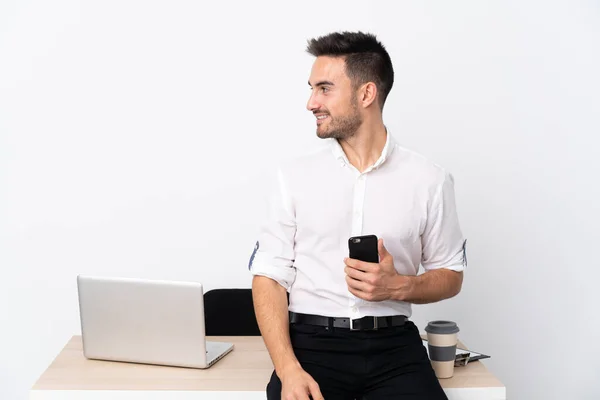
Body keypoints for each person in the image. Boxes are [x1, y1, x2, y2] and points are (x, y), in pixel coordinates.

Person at [249, 31, 467, 400]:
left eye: (324, 88)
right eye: (311, 88)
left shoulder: (430, 179)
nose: (310, 102)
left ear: (366, 94)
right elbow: (268, 276)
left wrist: (399, 285)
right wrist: (288, 370)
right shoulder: (293, 177)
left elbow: (451, 274)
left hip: (395, 349)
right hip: (312, 348)